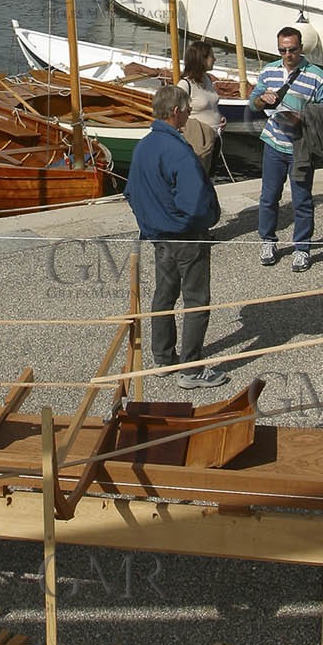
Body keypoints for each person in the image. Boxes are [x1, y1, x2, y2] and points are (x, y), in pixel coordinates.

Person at [125, 84, 226, 388]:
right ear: (175, 112)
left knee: (164, 295)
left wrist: (152, 222)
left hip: (158, 236)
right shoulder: (178, 151)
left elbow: (131, 192)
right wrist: (204, 221)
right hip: (187, 236)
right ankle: (191, 370)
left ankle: (164, 359)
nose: (188, 113)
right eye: (185, 108)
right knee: (196, 300)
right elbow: (194, 201)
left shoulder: (143, 146)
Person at [248, 27, 323, 272]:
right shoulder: (269, 72)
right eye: (282, 50)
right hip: (274, 143)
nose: (287, 55)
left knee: (302, 200)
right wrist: (261, 100)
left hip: (301, 147)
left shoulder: (318, 77)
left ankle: (302, 248)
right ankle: (267, 241)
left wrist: (303, 116)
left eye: (292, 50)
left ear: (301, 49)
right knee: (268, 197)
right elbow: (252, 103)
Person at [178, 39, 223, 175]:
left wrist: (220, 118)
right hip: (197, 142)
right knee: (196, 178)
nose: (214, 59)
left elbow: (211, 106)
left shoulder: (207, 79)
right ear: (201, 59)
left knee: (208, 178)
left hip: (214, 139)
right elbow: (175, 113)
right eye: (211, 56)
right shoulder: (185, 85)